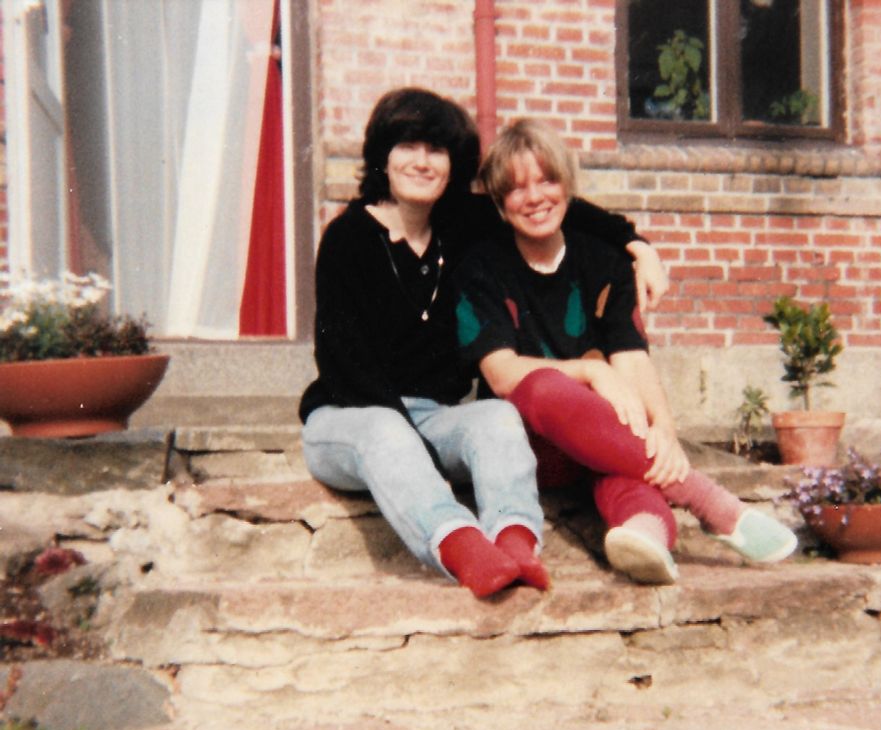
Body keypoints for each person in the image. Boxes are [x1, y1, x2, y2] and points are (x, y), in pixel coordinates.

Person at [299, 89, 666, 598]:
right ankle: (461, 547)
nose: (422, 162)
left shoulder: (458, 225)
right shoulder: (346, 239)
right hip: (349, 418)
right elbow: (344, 366)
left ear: (454, 165)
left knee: (496, 416)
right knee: (385, 430)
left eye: (437, 150)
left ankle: (515, 543)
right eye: (408, 146)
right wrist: (418, 449)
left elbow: (552, 205)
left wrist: (638, 245)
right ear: (383, 155)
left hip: (433, 415)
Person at [455, 118, 797, 584]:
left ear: (568, 184)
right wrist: (593, 374)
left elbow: (631, 355)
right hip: (531, 448)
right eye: (516, 188)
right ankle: (710, 503)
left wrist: (666, 431)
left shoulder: (606, 262)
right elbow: (501, 374)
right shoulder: (481, 266)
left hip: (608, 441)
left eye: (547, 179)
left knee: (621, 467)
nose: (534, 197)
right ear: (499, 201)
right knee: (543, 386)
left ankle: (645, 536)